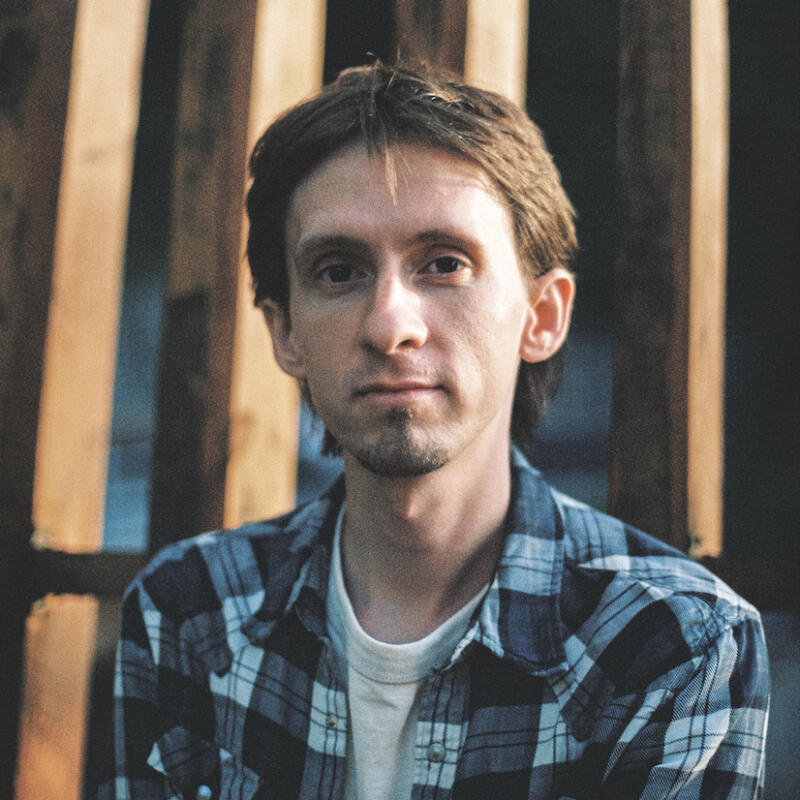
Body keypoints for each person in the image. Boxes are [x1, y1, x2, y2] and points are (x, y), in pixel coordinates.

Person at [103, 63, 769, 799]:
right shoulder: (188, 610)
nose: (391, 325)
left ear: (542, 316)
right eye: (337, 270)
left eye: (445, 263)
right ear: (284, 331)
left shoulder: (675, 642)